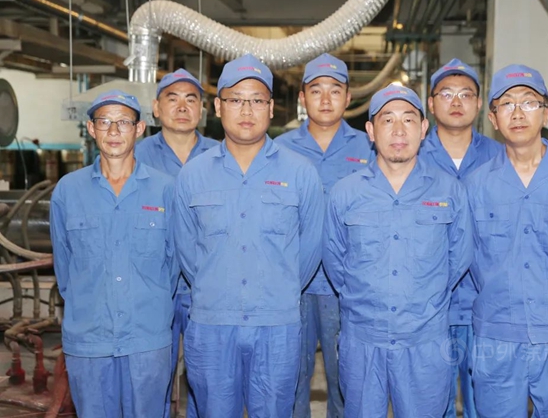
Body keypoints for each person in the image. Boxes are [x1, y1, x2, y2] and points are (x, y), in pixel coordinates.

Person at [173, 54, 324, 418]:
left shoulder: (300, 173)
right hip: (212, 323)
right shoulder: (193, 175)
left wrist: (278, 289)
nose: (246, 110)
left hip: (276, 324)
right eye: (235, 99)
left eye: (256, 100)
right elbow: (186, 251)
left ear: (271, 108)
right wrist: (217, 287)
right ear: (217, 107)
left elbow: (310, 250)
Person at [323, 84, 472, 417]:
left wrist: (422, 298)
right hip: (363, 340)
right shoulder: (345, 193)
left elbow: (459, 258)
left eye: (408, 119)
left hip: (424, 341)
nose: (399, 130)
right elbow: (334, 260)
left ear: (423, 128)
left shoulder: (449, 191)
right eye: (387, 120)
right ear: (370, 130)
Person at [465, 65, 548, 417]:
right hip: (497, 335)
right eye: (507, 103)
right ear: (493, 118)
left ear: (546, 112)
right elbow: (471, 260)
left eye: (529, 102)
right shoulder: (475, 186)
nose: (518, 112)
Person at [50, 90, 177, 417]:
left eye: (124, 122)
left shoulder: (165, 189)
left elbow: (175, 266)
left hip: (146, 341)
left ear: (140, 129)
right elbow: (65, 271)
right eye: (104, 121)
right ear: (91, 129)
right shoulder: (68, 191)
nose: (114, 130)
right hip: (89, 343)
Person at [275, 53, 373, 418]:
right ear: (303, 97)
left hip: (348, 286)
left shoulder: (369, 147)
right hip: (292, 285)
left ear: (349, 98)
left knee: (348, 382)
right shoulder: (280, 149)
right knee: (289, 380)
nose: (326, 99)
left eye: (335, 90)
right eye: (317, 90)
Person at [421, 58, 502, 418]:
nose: (456, 102)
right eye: (446, 94)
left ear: (480, 104)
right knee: (428, 403)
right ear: (431, 103)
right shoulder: (411, 156)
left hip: (484, 307)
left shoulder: (500, 158)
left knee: (483, 403)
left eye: (466, 94)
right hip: (428, 309)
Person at [136, 68, 219, 418]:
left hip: (208, 289)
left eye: (191, 99)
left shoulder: (223, 157)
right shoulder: (135, 157)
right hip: (154, 288)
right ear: (156, 108)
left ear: (202, 109)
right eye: (172, 98)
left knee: (209, 383)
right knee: (154, 382)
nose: (182, 107)